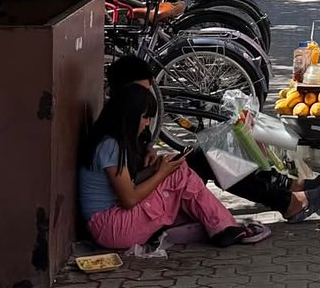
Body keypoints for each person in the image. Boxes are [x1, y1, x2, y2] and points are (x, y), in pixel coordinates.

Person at [80, 81, 271, 249]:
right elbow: (129, 199)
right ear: (129, 117)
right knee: (179, 174)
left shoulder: (109, 143)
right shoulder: (111, 147)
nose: (147, 124)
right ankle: (223, 227)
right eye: (145, 118)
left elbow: (127, 183)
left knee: (178, 169)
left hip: (110, 224)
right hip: (111, 228)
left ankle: (220, 225)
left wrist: (155, 169)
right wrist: (161, 173)